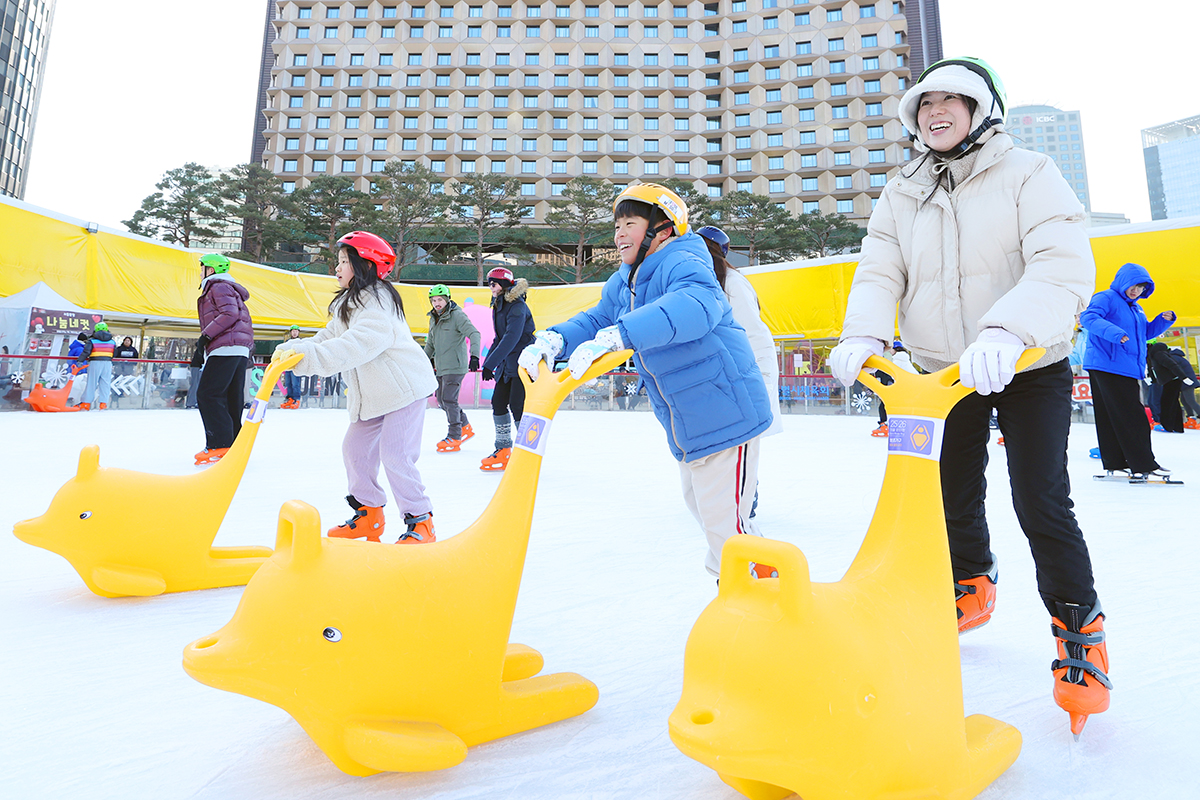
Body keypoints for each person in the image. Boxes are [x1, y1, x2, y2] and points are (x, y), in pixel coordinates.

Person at [827, 57, 1110, 733]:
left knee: (1039, 497)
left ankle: (1081, 630)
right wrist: (863, 335)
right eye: (926, 102)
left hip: (1026, 361)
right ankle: (970, 582)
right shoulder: (902, 190)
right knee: (946, 491)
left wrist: (1009, 331)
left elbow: (1063, 261)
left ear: (984, 111)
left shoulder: (1029, 174)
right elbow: (879, 269)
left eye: (954, 99)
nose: (937, 110)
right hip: (939, 368)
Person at [519, 183, 773, 578]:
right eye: (617, 225)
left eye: (631, 223)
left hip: (726, 411)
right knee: (708, 515)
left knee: (727, 526)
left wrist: (624, 333)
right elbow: (597, 318)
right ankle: (748, 578)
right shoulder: (626, 281)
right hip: (689, 422)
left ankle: (758, 590)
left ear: (664, 230)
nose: (619, 234)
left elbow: (694, 306)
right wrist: (554, 340)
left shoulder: (684, 261)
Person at [273, 231, 438, 545]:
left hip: (404, 390)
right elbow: (327, 338)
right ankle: (369, 514)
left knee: (395, 454)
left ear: (365, 266)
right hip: (374, 396)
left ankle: (421, 519)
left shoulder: (378, 304)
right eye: (338, 261)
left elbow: (355, 346)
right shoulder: (348, 303)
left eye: (344, 261)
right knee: (355, 449)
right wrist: (295, 350)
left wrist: (310, 359)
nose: (337, 268)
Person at [1080, 263, 1176, 477]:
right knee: (1133, 416)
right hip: (1108, 363)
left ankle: (1115, 461)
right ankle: (1144, 464)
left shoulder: (1136, 308)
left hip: (1124, 366)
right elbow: (1088, 318)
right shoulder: (1106, 297)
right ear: (1122, 281)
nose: (1136, 290)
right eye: (1132, 285)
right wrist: (1114, 333)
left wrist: (1162, 321)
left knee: (1110, 415)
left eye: (1141, 287)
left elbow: (1143, 334)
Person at [194, 254, 255, 465]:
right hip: (237, 349)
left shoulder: (218, 286)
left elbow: (229, 314)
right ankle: (233, 444)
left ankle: (220, 443)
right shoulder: (227, 288)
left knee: (208, 394)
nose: (199, 272)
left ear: (210, 270)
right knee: (231, 397)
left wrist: (205, 337)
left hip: (225, 347)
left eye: (201, 268)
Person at [479, 266, 535, 471]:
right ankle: (503, 450)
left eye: (492, 283)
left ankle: (527, 452)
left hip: (522, 363)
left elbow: (512, 339)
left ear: (502, 284)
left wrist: (492, 363)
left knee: (517, 406)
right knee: (498, 402)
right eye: (489, 284)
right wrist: (488, 364)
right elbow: (499, 338)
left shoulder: (517, 307)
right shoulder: (499, 305)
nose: (490, 287)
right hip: (507, 363)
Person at [424, 284, 482, 452]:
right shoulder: (433, 318)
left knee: (449, 399)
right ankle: (465, 427)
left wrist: (475, 356)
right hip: (441, 367)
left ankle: (455, 436)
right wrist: (422, 362)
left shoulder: (457, 316)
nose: (437, 303)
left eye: (440, 299)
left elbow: (474, 334)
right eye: (434, 300)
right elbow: (430, 345)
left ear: (447, 299)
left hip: (455, 366)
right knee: (441, 400)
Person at [1147, 341, 1185, 433]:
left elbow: (1172, 365)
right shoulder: (1157, 355)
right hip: (1170, 380)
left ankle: (1168, 425)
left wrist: (1183, 377)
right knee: (1172, 403)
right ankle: (1176, 426)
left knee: (1167, 403)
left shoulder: (1158, 354)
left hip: (1171, 381)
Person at [77, 322, 115, 410]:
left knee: (91, 383)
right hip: (107, 362)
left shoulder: (92, 341)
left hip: (95, 362)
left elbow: (86, 352)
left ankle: (86, 403)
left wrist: (80, 360)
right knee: (105, 383)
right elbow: (114, 353)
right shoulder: (112, 341)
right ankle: (103, 403)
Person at [281, 325, 303, 409]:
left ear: (298, 332)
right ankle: (289, 398)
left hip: (296, 366)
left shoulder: (301, 342)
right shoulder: (287, 342)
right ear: (290, 332)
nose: (294, 332)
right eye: (293, 331)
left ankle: (296, 399)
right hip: (288, 365)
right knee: (288, 383)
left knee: (295, 383)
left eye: (296, 331)